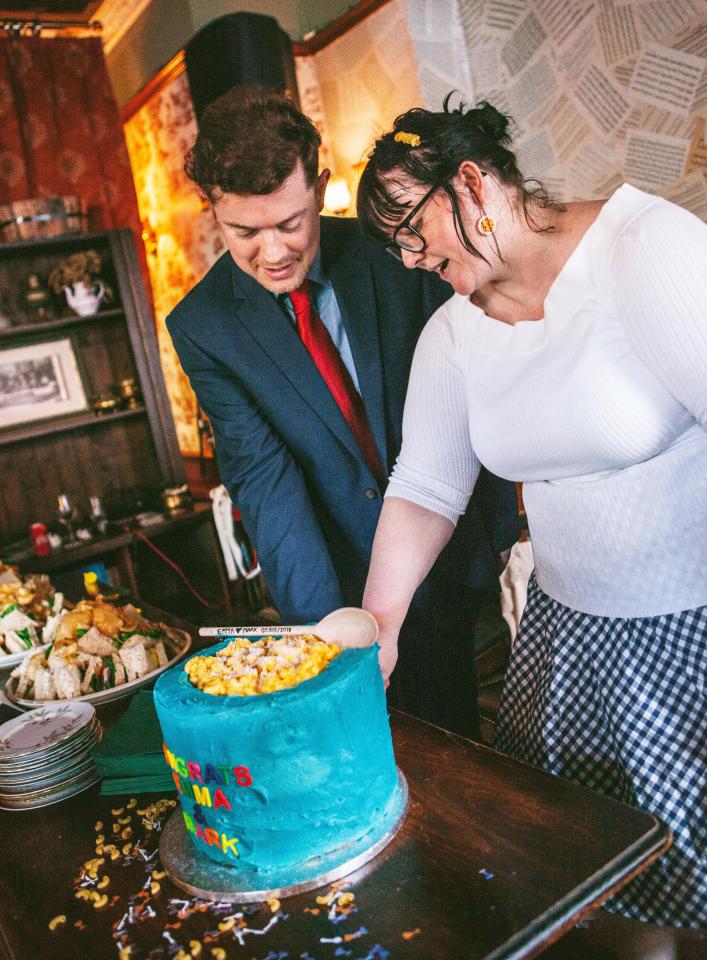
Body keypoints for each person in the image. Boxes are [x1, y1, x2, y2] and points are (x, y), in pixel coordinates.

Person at [355, 97, 706, 928]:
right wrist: (378, 623)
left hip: (689, 625)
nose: (409, 259)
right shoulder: (451, 334)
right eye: (395, 244)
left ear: (470, 184)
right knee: (607, 883)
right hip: (570, 639)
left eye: (412, 230)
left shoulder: (641, 248)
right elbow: (426, 486)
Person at [166, 87, 521, 738]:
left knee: (474, 745)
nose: (272, 252)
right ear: (210, 209)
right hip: (337, 579)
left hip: (456, 558)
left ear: (318, 185)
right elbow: (265, 483)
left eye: (290, 223)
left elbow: (478, 377)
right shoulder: (202, 326)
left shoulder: (394, 246)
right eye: (245, 231)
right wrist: (326, 634)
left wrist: (496, 536)